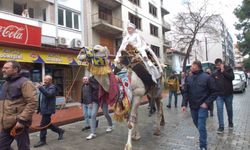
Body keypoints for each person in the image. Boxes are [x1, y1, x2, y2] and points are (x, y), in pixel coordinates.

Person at [0, 60, 37, 150]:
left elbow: (32, 102)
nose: (3, 70)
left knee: (23, 147)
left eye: (6, 68)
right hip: (6, 123)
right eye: (3, 68)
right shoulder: (5, 83)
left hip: (19, 123)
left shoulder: (25, 82)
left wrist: (22, 120)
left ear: (15, 69)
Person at [182, 60, 218, 150]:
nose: (190, 67)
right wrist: (184, 104)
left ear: (196, 66)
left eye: (192, 65)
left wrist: (206, 103)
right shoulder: (188, 78)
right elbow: (185, 92)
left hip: (203, 106)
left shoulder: (207, 77)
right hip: (193, 106)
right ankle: (203, 134)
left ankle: (203, 146)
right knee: (196, 123)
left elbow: (215, 92)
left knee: (201, 125)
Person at [34, 75, 65, 147]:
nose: (44, 81)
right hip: (43, 109)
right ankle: (60, 131)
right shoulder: (44, 86)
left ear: (50, 81)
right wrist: (39, 108)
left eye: (46, 80)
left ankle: (42, 140)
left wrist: (40, 87)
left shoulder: (52, 87)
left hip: (48, 110)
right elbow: (41, 98)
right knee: (48, 124)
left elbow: (48, 95)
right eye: (44, 79)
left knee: (43, 125)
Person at [212, 58, 234, 134]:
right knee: (219, 110)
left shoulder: (228, 69)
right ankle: (221, 126)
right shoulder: (215, 73)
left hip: (228, 94)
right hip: (219, 95)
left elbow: (232, 77)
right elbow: (211, 82)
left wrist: (223, 71)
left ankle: (230, 122)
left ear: (222, 64)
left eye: (218, 65)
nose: (217, 67)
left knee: (229, 109)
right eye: (216, 65)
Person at [86, 76, 113, 140]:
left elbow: (108, 87)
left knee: (106, 113)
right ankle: (93, 133)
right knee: (93, 115)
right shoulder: (91, 79)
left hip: (103, 99)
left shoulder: (103, 77)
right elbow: (89, 91)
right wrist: (90, 102)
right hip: (95, 100)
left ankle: (110, 125)